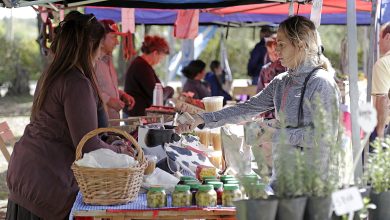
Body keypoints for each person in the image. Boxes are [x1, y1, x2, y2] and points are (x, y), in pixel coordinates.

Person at [176, 15, 340, 188]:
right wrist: (203, 119)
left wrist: (275, 134)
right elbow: (247, 108)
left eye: (282, 44)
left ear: (300, 45)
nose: (276, 50)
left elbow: (324, 137)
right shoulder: (282, 81)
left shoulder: (321, 83)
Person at [6, 11, 134, 220]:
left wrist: (109, 142)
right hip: (47, 183)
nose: (101, 54)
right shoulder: (76, 82)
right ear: (89, 46)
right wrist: (118, 151)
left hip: (25, 175)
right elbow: (88, 146)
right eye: (100, 48)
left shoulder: (50, 74)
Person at [95, 19, 135, 126]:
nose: (117, 42)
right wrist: (109, 100)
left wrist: (121, 94)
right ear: (101, 40)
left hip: (113, 125)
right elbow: (87, 89)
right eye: (114, 37)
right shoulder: (92, 62)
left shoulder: (109, 60)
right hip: (99, 127)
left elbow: (104, 87)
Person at [123, 35, 174, 117]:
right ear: (155, 53)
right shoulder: (141, 66)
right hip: (136, 115)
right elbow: (156, 93)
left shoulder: (143, 64)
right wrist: (170, 89)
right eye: (162, 57)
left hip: (136, 113)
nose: (160, 61)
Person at [256, 34, 287, 119]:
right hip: (267, 118)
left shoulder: (289, 69)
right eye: (270, 53)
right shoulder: (265, 70)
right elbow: (259, 95)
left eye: (275, 53)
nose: (273, 56)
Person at [371, 23, 390, 141]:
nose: (378, 43)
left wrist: (380, 132)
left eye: (380, 38)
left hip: (385, 126)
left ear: (387, 37)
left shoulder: (383, 63)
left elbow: (382, 98)